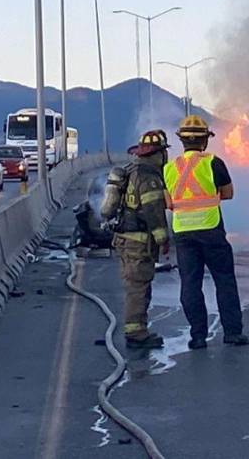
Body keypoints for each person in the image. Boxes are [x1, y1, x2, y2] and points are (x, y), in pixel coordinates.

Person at [163, 114, 249, 349]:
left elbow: (167, 202)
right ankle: (232, 333)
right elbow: (228, 193)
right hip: (211, 230)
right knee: (224, 281)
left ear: (181, 141)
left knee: (190, 284)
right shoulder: (214, 162)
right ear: (205, 140)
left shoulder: (169, 168)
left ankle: (198, 336)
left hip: (183, 234)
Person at [106, 129, 171, 349]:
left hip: (124, 238)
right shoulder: (149, 177)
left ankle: (137, 329)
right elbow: (154, 211)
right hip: (138, 241)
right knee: (138, 287)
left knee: (136, 285)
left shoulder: (131, 170)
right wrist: (163, 239)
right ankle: (136, 334)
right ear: (159, 154)